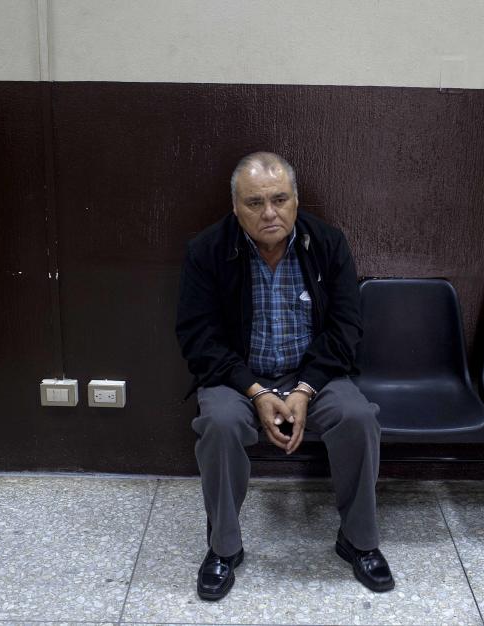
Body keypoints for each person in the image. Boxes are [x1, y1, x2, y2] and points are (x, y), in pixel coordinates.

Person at [175, 152, 394, 601]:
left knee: (358, 417)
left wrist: (305, 388)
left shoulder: (328, 244)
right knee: (219, 423)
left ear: (296, 199)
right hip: (239, 375)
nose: (269, 213)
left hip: (314, 372)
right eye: (255, 203)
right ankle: (223, 548)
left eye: (279, 199)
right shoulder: (208, 251)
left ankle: (358, 539)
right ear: (235, 207)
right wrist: (255, 391)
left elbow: (346, 329)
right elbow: (199, 339)